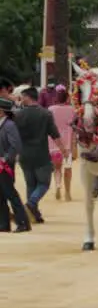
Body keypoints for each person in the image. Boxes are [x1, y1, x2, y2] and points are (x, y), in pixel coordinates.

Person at [14, 87, 61, 224]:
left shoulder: (18, 115)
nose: (21, 99)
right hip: (41, 155)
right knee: (43, 184)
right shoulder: (45, 114)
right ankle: (31, 204)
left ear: (28, 97)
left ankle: (34, 215)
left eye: (22, 97)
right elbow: (54, 134)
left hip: (24, 155)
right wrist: (63, 150)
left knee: (30, 184)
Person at [0, 98, 30, 232]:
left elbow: (16, 145)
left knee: (10, 194)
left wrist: (5, 159)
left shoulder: (9, 125)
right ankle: (3, 223)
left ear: (2, 111)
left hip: (4, 166)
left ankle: (23, 222)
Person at [48, 86, 75, 201]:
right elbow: (74, 128)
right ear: (67, 98)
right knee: (68, 168)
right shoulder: (72, 110)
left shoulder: (50, 109)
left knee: (57, 168)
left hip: (54, 143)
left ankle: (58, 185)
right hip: (68, 143)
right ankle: (68, 193)